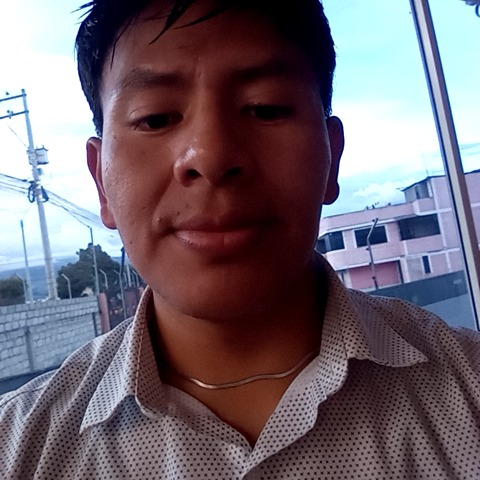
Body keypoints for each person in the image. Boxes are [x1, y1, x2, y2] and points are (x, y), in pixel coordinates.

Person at [1, 0, 479, 478]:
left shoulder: (470, 392)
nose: (210, 156)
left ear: (332, 157)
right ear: (101, 182)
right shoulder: (17, 452)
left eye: (265, 108)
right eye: (155, 118)